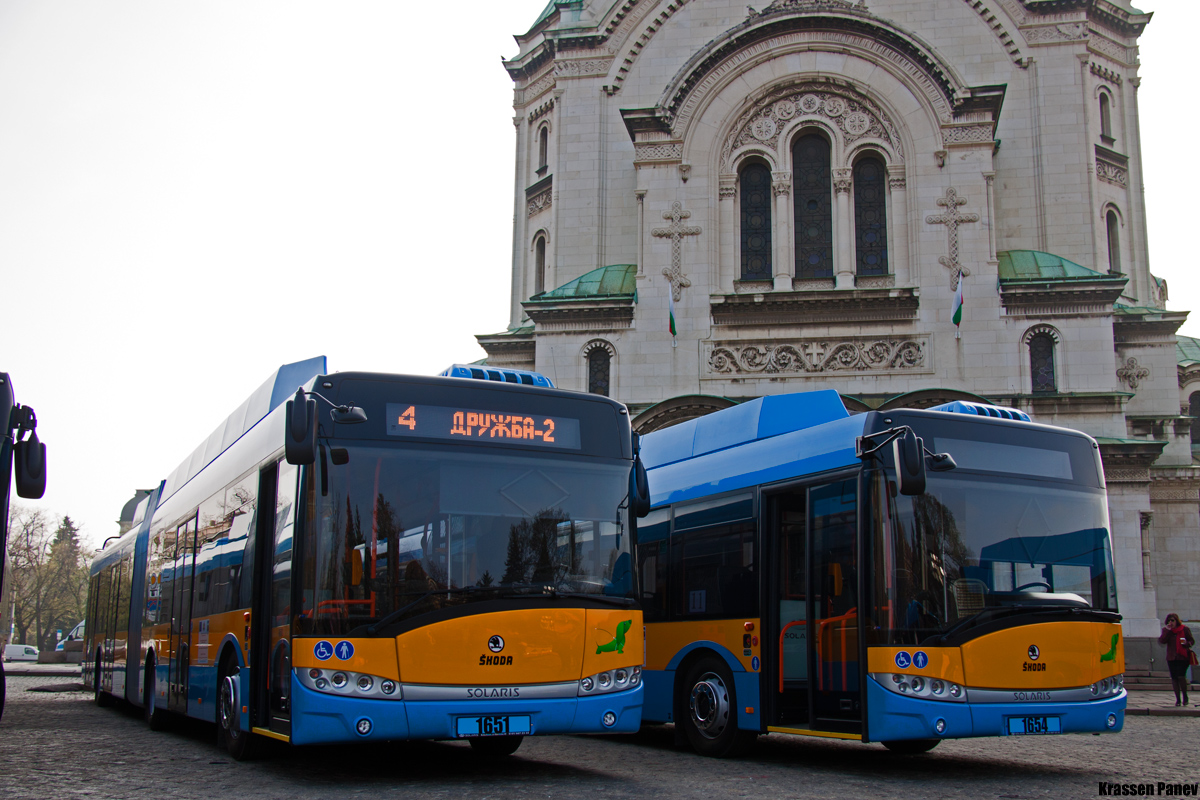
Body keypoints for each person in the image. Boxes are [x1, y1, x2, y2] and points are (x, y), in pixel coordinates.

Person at [1158, 613, 1195, 706]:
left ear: (1176, 621)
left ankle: (1185, 696)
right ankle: (1178, 699)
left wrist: (1187, 643)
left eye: (1173, 620)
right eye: (1169, 620)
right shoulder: (1167, 630)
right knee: (1174, 678)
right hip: (1172, 657)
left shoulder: (1184, 629)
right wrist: (1167, 630)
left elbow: (1192, 641)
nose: (1171, 622)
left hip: (1183, 657)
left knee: (1181, 676)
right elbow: (1162, 641)